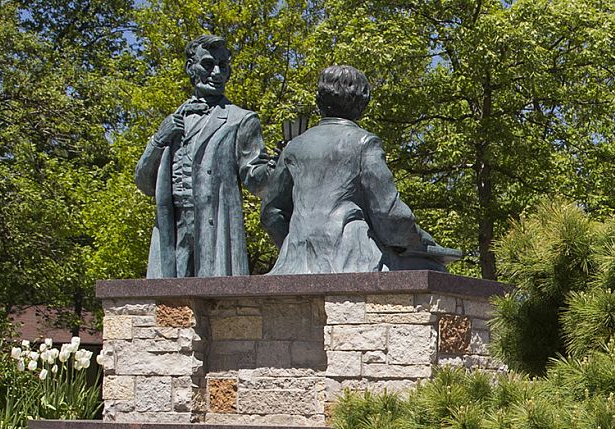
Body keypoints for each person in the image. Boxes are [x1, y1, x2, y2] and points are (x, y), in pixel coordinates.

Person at [261, 65, 459, 274]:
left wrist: (297, 247)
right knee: (434, 269)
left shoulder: (294, 146)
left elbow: (271, 213)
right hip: (353, 259)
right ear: (362, 103)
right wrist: (421, 241)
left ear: (319, 101)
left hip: (293, 263)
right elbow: (390, 215)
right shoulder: (364, 143)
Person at [135, 36, 271, 278]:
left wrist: (276, 167)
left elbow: (257, 181)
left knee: (217, 303)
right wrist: (158, 140)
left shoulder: (240, 120)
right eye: (208, 64)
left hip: (215, 227)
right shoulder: (173, 122)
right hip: (173, 228)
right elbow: (145, 184)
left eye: (223, 65)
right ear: (191, 68)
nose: (217, 72)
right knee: (169, 305)